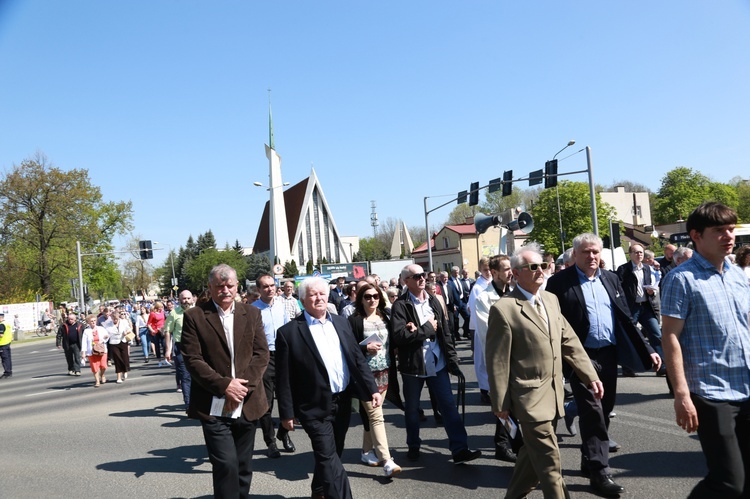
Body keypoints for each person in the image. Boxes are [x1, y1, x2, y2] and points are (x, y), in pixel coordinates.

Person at [546, 233, 661, 497]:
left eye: (596, 252)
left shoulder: (611, 279)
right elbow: (552, 324)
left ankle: (589, 459)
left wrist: (649, 350)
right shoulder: (559, 283)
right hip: (580, 356)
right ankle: (600, 472)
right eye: (586, 252)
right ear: (575, 255)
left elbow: (625, 319)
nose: (592, 257)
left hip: (608, 354)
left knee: (605, 407)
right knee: (592, 410)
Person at [486, 244, 602, 499]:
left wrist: (590, 375)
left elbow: (568, 341)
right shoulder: (504, 309)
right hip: (528, 400)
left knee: (531, 458)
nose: (541, 271)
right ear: (516, 274)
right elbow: (498, 361)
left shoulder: (551, 300)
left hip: (553, 395)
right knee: (550, 463)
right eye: (533, 267)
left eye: (543, 266)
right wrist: (500, 403)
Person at [661, 202, 750, 498]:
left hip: (747, 385)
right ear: (696, 236)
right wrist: (682, 395)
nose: (729, 236)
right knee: (728, 482)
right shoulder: (681, 279)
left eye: (731, 229)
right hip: (712, 393)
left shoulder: (739, 276)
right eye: (719, 231)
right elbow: (670, 337)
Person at [275, 277, 381, 499]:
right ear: (303, 300)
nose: (318, 298)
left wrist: (371, 388)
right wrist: (286, 413)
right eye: (312, 294)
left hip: (341, 401)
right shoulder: (289, 332)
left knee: (334, 453)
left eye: (322, 293)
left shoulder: (341, 323)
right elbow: (283, 379)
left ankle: (319, 491)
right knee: (328, 457)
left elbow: (356, 358)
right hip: (312, 406)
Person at [180, 264, 270, 499]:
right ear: (210, 287)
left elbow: (262, 355)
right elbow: (193, 359)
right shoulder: (194, 317)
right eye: (220, 286)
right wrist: (224, 386)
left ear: (237, 286)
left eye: (229, 285)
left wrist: (241, 388)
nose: (225, 290)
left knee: (242, 467)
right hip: (213, 404)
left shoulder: (251, 314)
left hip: (247, 402)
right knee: (225, 464)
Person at [391, 264, 481, 464]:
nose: (422, 278)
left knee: (448, 406)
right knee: (413, 410)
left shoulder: (433, 300)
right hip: (413, 366)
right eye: (416, 276)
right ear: (406, 281)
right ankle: (413, 444)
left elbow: (445, 332)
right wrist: (425, 329)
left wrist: (452, 359)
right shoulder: (400, 305)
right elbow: (399, 336)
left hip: (437, 362)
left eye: (423, 275)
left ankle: (460, 449)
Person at [348, 282, 402, 477]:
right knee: (376, 416)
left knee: (372, 416)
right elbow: (348, 347)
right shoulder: (354, 320)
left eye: (375, 296)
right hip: (365, 376)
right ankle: (387, 460)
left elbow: (394, 338)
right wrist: (365, 348)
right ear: (360, 299)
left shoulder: (385, 316)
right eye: (367, 297)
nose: (372, 300)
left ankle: (365, 451)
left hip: (385, 372)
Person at [474, 254, 519, 462]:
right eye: (506, 268)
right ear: (494, 273)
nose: (511, 272)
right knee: (503, 404)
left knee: (517, 403)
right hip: (500, 359)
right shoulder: (483, 298)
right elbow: (489, 333)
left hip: (519, 357)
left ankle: (513, 443)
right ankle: (502, 445)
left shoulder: (517, 293)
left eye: (511, 268)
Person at [251, 274, 295, 459]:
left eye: (272, 285)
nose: (270, 289)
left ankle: (283, 434)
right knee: (266, 403)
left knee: (288, 401)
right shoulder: (253, 310)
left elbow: (288, 329)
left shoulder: (281, 305)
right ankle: (271, 442)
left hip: (283, 355)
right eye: (265, 287)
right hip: (265, 357)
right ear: (259, 290)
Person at [617, 244, 666, 375]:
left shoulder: (647, 268)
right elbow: (619, 289)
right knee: (631, 335)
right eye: (636, 252)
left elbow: (654, 285)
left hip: (645, 306)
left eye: (641, 252)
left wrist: (652, 292)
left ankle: (662, 365)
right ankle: (628, 367)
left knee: (656, 333)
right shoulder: (624, 269)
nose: (639, 255)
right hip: (632, 307)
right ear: (630, 254)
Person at [165, 290, 194, 409]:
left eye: (188, 298)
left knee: (199, 376)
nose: (186, 301)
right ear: (179, 300)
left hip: (196, 346)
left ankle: (199, 402)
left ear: (192, 299)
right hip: (181, 346)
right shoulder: (174, 313)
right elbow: (168, 331)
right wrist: (167, 349)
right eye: (183, 298)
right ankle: (189, 405)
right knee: (185, 376)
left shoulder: (198, 311)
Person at [80, 314, 110, 387]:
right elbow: (84, 342)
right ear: (88, 322)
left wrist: (103, 339)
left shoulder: (101, 329)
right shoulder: (86, 331)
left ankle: (102, 375)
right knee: (94, 367)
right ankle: (97, 381)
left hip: (101, 349)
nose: (93, 322)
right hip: (91, 351)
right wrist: (83, 353)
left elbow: (107, 337)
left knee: (103, 366)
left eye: (94, 321)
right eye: (91, 321)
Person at [448, 266, 470, 340]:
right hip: (455, 303)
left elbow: (463, 291)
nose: (457, 274)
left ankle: (466, 331)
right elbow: (449, 294)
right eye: (455, 272)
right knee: (456, 320)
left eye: (457, 272)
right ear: (452, 273)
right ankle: (456, 335)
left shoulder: (460, 280)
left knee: (468, 316)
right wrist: (452, 304)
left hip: (462, 302)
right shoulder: (449, 282)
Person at [147, 300, 169, 366]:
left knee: (164, 344)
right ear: (157, 307)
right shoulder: (152, 314)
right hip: (155, 331)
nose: (161, 308)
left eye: (162, 307)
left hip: (162, 330)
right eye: (160, 307)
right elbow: (148, 324)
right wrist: (152, 330)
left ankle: (165, 359)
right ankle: (159, 360)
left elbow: (164, 320)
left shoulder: (162, 312)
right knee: (157, 346)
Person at [0, 313, 13, 379]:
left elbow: (1, 335)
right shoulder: (7, 323)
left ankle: (7, 372)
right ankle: (9, 371)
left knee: (4, 359)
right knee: (8, 358)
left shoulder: (1, 325)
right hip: (7, 343)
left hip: (2, 344)